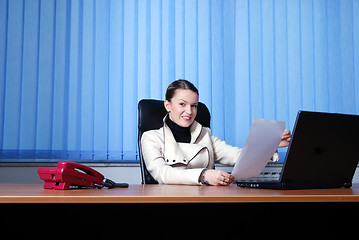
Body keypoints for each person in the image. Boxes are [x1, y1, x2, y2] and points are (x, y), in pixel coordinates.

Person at [141, 80, 291, 186]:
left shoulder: (205, 134)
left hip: (208, 199)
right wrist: (204, 175)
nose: (189, 111)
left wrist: (269, 144)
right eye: (182, 104)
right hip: (169, 201)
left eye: (194, 106)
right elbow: (162, 173)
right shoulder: (151, 137)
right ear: (168, 105)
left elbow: (239, 157)